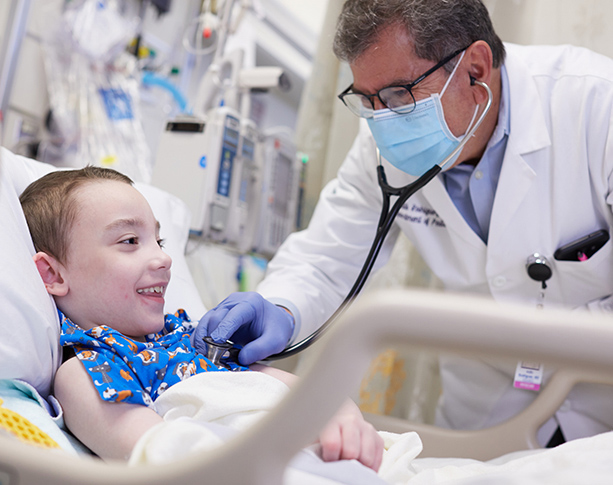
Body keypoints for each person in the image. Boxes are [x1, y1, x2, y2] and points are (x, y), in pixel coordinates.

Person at [195, 0, 613, 447]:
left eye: (398, 95)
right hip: (484, 407)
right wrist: (279, 308)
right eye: (368, 100)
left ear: (475, 68)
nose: (382, 120)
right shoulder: (384, 150)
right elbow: (326, 260)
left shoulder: (596, 107)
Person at [19, 166, 384, 468]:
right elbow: (163, 458)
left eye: (158, 242)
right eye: (130, 241)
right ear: (54, 275)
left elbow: (292, 390)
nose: (164, 259)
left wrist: (340, 412)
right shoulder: (88, 368)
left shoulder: (189, 339)